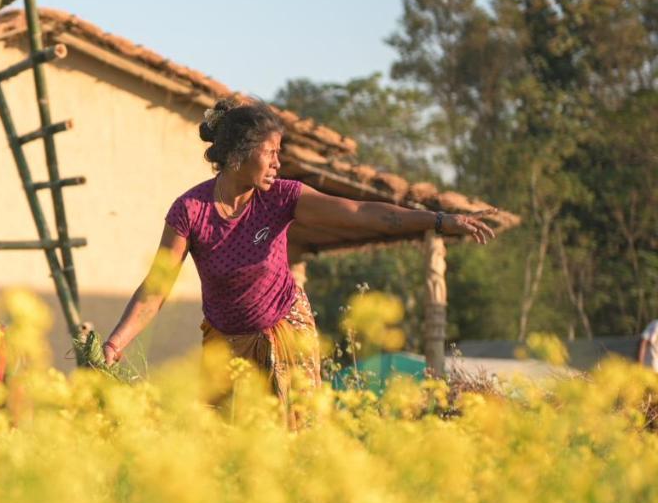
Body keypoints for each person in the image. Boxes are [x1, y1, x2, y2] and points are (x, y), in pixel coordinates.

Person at [102, 97, 494, 418]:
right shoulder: (191, 210)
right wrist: (116, 344)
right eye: (270, 152)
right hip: (225, 344)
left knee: (294, 437)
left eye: (279, 153)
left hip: (285, 333)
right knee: (225, 448)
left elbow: (361, 213)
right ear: (239, 154)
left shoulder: (282, 197)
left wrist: (439, 220)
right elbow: (156, 289)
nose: (277, 162)